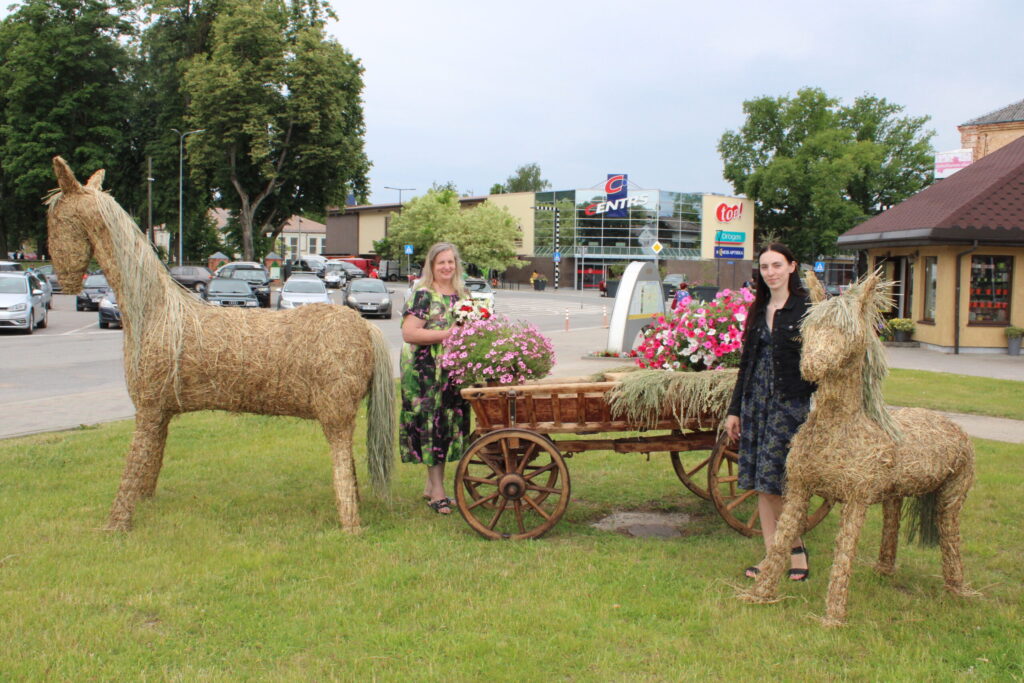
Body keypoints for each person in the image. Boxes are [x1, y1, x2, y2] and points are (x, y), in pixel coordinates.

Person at [724, 243, 816, 582]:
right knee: (762, 484)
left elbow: (820, 361)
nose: (771, 272)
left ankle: (793, 548)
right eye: (765, 267)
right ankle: (772, 555)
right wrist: (735, 410)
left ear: (792, 266)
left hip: (789, 404)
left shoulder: (807, 308)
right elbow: (746, 362)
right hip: (756, 402)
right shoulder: (759, 307)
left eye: (777, 265)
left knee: (776, 481)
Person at [399, 242, 471, 514]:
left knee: (449, 423)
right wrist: (447, 335)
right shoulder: (423, 295)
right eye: (441, 262)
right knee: (433, 426)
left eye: (450, 262)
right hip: (424, 372)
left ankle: (431, 485)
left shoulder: (463, 295)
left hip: (453, 371)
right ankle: (438, 492)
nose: (446, 267)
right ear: (431, 266)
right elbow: (409, 333)